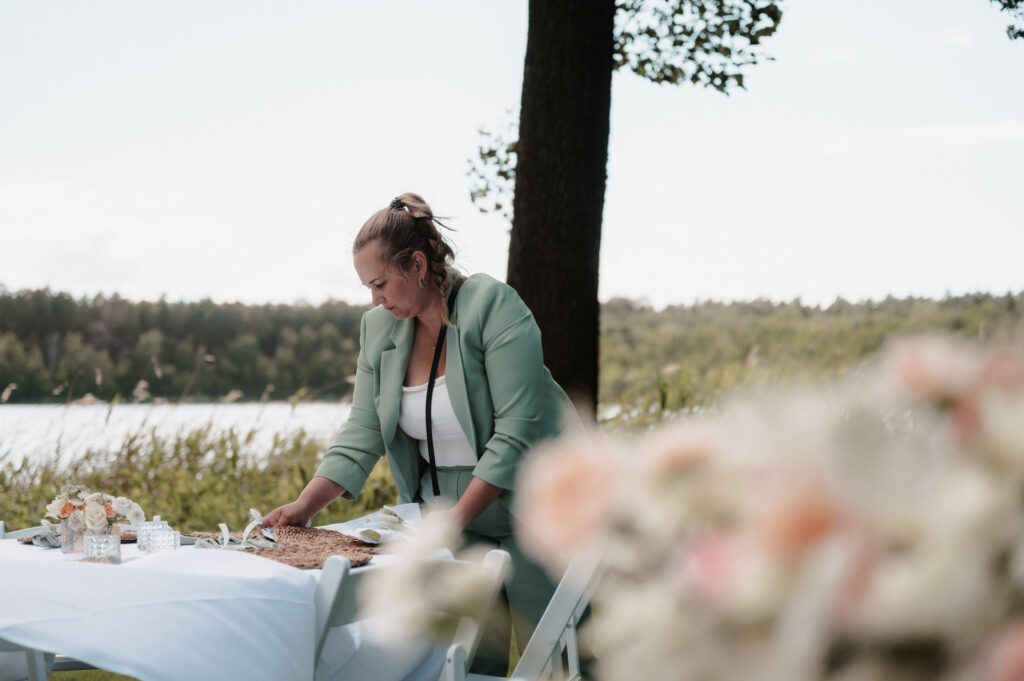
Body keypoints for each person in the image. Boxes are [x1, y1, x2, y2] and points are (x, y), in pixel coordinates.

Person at [263, 192, 578, 675]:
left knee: (559, 659)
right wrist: (305, 507)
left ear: (415, 264)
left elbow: (516, 431)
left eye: (381, 283)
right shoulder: (378, 329)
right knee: (466, 661)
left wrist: (456, 518)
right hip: (448, 514)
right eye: (368, 287)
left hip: (533, 507)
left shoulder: (493, 305)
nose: (375, 298)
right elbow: (364, 427)